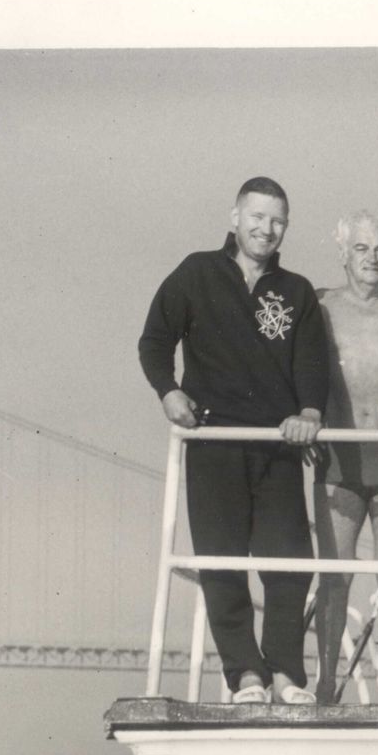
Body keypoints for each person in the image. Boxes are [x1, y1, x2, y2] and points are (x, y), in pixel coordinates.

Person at [136, 175, 328, 705]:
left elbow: (312, 363)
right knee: (221, 563)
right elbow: (154, 341)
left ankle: (286, 675)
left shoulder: (297, 291)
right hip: (213, 441)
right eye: (257, 217)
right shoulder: (196, 272)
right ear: (235, 217)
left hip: (278, 445)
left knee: (290, 564)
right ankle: (245, 676)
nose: (267, 229)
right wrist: (168, 391)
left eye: (277, 220)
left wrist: (310, 411)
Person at [311, 210, 378, 698]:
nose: (372, 258)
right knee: (334, 575)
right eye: (361, 248)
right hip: (338, 457)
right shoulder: (320, 305)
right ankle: (325, 683)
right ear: (342, 254)